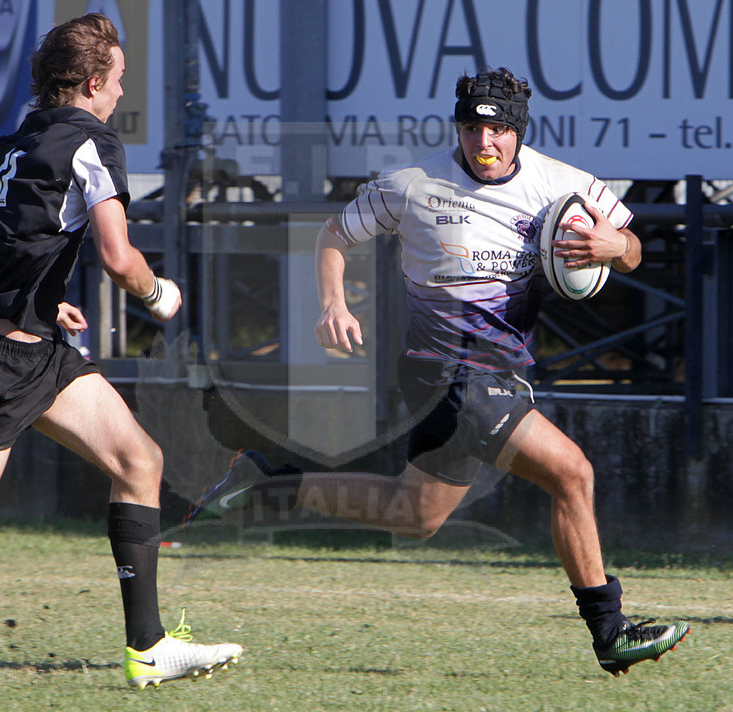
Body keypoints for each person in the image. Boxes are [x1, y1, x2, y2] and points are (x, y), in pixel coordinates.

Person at [187, 67, 689, 676]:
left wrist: (617, 249)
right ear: (458, 127)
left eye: (499, 130)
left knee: (416, 516)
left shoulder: (565, 187)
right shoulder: (413, 185)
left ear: (518, 133)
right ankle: (609, 630)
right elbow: (333, 233)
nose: (485, 143)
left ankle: (268, 480)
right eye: (473, 129)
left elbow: (629, 244)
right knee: (572, 473)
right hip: (444, 370)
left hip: (498, 371)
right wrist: (333, 304)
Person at [0, 14, 242, 689]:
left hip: (41, 348)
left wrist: (40, 299)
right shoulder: (91, 144)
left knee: (140, 460)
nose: (120, 96)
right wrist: (157, 292)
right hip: (0, 366)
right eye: (120, 82)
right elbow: (116, 254)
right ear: (94, 83)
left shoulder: (5, 148)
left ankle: (148, 647)